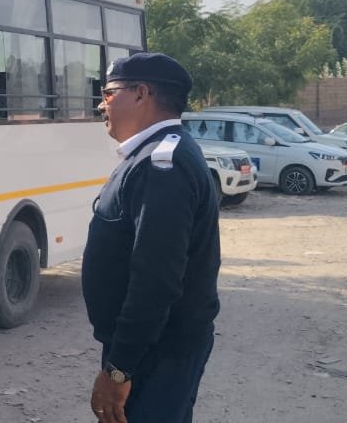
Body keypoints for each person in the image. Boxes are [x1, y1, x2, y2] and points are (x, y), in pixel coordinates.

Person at [83, 53, 221, 423]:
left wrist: (119, 368)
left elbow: (156, 280)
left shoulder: (163, 165)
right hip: (153, 347)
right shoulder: (153, 155)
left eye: (108, 94)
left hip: (156, 352)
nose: (102, 105)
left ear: (141, 94)